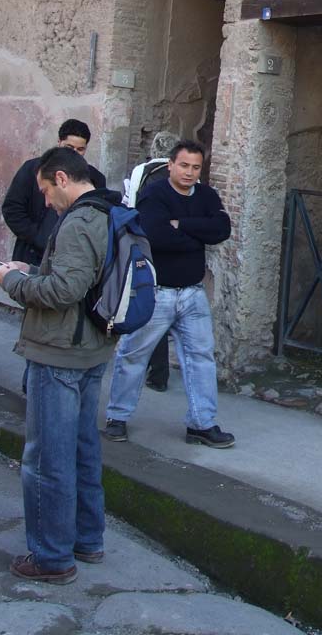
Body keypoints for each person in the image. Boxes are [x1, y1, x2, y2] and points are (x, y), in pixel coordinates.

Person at [0, 147, 121, 584]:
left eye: (47, 191)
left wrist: (12, 281)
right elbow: (83, 279)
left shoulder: (79, 221)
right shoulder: (110, 211)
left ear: (63, 178)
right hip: (92, 349)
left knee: (48, 456)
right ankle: (88, 540)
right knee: (84, 447)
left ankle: (51, 557)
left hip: (59, 353)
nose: (46, 202)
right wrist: (30, 267)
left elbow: (63, 291)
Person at [104, 140, 235, 448]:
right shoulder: (155, 194)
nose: (189, 173)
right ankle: (117, 418)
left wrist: (183, 225)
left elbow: (222, 228)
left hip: (192, 294)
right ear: (171, 166)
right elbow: (157, 235)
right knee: (134, 355)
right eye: (184, 166)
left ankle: (202, 424)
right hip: (157, 293)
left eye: (196, 167)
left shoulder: (206, 195)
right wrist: (196, 237)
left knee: (201, 358)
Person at [2, 119, 107, 268]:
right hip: (30, 255)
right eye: (69, 147)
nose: (74, 153)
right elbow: (12, 209)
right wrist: (38, 237)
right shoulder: (32, 169)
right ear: (59, 142)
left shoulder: (94, 178)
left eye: (80, 149)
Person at [122, 131, 179, 392]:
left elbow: (131, 205)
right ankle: (159, 373)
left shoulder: (140, 173)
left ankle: (148, 370)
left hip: (143, 245)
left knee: (146, 307)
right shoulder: (177, 176)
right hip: (172, 249)